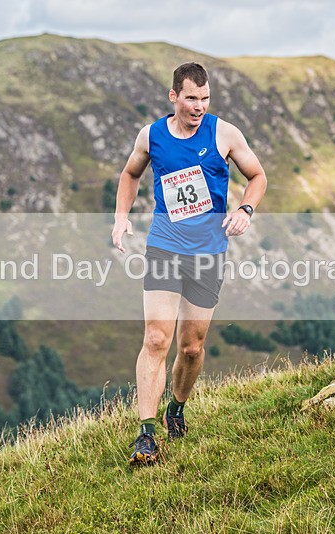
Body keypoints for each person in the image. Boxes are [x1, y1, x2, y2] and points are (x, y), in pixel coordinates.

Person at [111, 62, 267, 465]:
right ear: (174, 97)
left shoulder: (225, 133)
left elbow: (258, 175)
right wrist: (121, 217)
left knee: (192, 347)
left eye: (205, 98)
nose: (199, 106)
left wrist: (246, 209)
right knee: (156, 339)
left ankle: (175, 409)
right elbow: (130, 174)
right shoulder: (152, 135)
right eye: (191, 98)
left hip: (208, 252)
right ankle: (146, 435)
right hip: (164, 246)